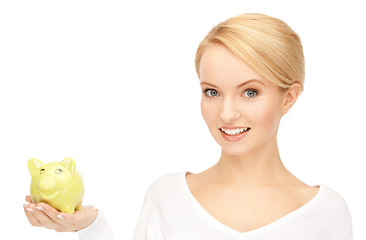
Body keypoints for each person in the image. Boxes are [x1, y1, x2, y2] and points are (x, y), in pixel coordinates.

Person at [24, 13, 353, 240]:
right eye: (212, 92)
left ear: (289, 98)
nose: (226, 114)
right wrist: (90, 227)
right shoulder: (166, 196)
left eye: (249, 92)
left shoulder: (327, 212)